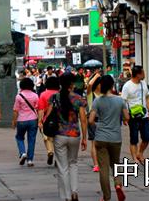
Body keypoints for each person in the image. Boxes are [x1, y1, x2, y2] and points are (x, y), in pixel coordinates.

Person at [46, 73, 87, 201]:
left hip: (59, 135)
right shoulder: (78, 98)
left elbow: (48, 116)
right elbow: (83, 119)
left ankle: (66, 196)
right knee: (73, 163)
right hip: (74, 135)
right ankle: (74, 191)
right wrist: (84, 138)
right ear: (71, 84)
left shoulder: (54, 97)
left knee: (62, 167)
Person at [90, 75, 129, 201]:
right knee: (116, 163)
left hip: (101, 137)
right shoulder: (120, 100)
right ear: (112, 86)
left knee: (103, 168)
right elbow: (127, 117)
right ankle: (118, 184)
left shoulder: (97, 101)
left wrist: (99, 125)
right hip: (115, 138)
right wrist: (122, 120)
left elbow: (90, 120)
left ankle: (106, 196)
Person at [121, 65, 149, 163]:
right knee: (134, 139)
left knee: (147, 137)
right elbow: (123, 102)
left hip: (144, 115)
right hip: (132, 116)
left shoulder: (143, 84)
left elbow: (147, 97)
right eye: (143, 73)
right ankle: (134, 158)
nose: (144, 74)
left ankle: (140, 153)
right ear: (138, 74)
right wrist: (124, 117)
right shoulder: (127, 86)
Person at [13, 78, 39, 167]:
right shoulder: (35, 95)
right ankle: (30, 160)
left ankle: (23, 153)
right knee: (31, 140)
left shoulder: (19, 96)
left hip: (21, 120)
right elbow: (38, 108)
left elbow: (16, 110)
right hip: (33, 120)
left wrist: (14, 121)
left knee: (19, 137)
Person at [37, 76, 60, 166]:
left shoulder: (43, 94)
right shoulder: (60, 93)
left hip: (47, 119)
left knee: (47, 137)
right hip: (60, 120)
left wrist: (40, 121)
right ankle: (58, 159)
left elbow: (41, 109)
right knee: (58, 140)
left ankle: (50, 151)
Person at [87, 75, 102, 172]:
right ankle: (96, 164)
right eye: (101, 83)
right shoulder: (90, 94)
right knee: (94, 143)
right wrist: (96, 75)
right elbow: (89, 84)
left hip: (103, 121)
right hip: (93, 121)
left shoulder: (104, 95)